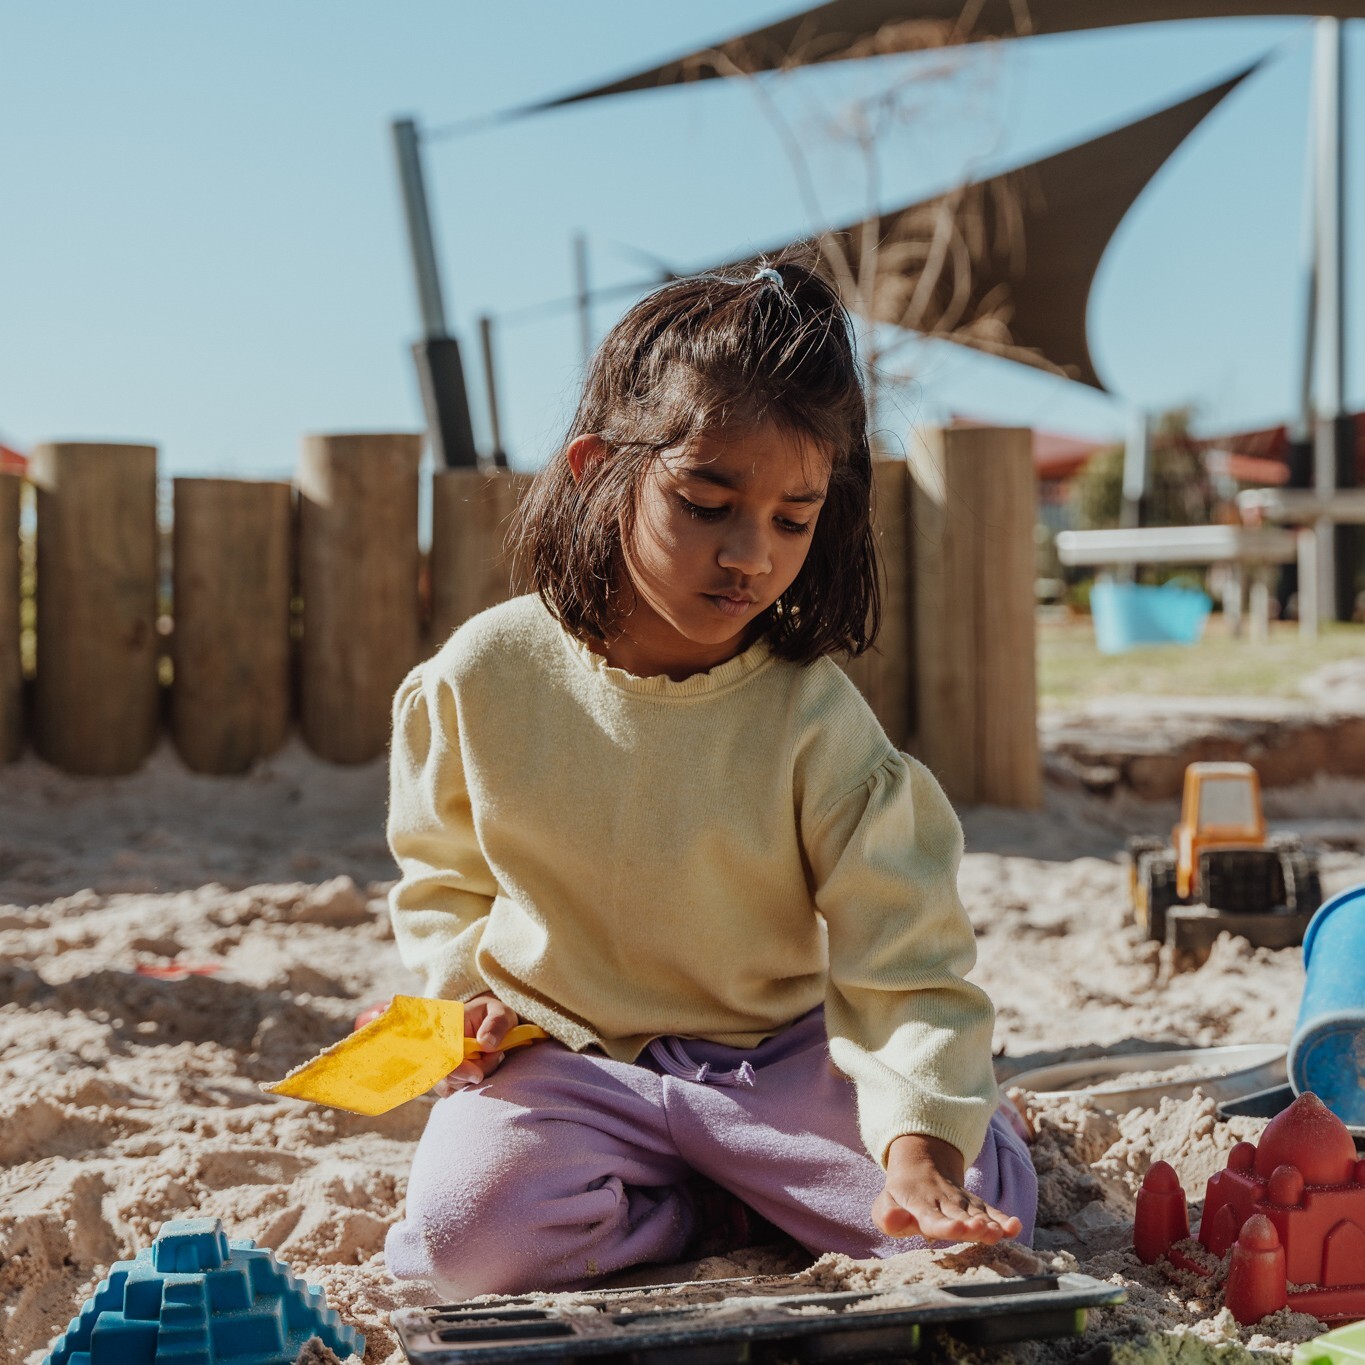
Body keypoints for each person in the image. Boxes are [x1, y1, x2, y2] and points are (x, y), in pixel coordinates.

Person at [383, 255, 1037, 1299]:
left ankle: (803, 1165)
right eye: (706, 500)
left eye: (793, 517)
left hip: (772, 1064)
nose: (751, 554)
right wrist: (466, 997)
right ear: (600, 466)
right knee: (471, 1239)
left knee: (948, 1231)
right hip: (568, 1061)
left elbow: (905, 961)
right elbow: (442, 877)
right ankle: (706, 1200)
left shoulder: (814, 721)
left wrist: (920, 1145)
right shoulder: (481, 677)